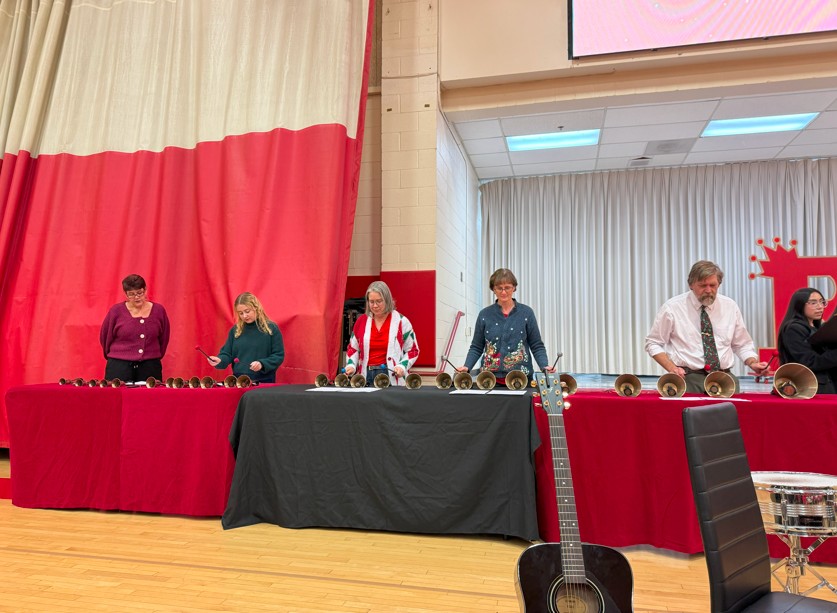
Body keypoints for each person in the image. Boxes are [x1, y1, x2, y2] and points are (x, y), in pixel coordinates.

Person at [645, 260, 768, 393]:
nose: (708, 290)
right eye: (703, 285)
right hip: (689, 379)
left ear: (719, 284)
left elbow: (742, 344)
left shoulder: (730, 306)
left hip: (725, 380)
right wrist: (671, 367)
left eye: (713, 285)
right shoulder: (672, 308)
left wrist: (753, 363)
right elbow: (653, 343)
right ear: (691, 285)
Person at [458, 268, 554, 382]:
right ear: (493, 289)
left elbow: (536, 345)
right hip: (489, 379)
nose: (503, 292)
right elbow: (476, 347)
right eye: (499, 288)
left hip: (521, 379)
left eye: (507, 287)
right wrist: (467, 366)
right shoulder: (484, 314)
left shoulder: (527, 313)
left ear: (514, 288)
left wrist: (544, 366)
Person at [344, 281, 419, 386]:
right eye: (371, 302)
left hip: (391, 375)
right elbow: (353, 349)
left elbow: (413, 350)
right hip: (365, 376)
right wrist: (351, 365)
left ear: (387, 300)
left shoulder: (401, 321)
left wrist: (402, 366)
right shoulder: (361, 322)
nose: (375, 306)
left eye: (379, 301)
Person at [100, 274, 170, 382]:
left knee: (149, 398)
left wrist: (152, 354)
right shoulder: (116, 311)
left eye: (139, 293)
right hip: (119, 366)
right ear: (126, 294)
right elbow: (105, 337)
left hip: (150, 367)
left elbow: (164, 338)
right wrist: (117, 355)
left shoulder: (159, 311)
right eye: (131, 294)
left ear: (145, 290)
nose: (136, 297)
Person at [207, 292, 284, 384]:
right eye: (240, 313)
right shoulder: (235, 330)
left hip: (263, 382)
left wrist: (262, 364)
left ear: (256, 308)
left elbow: (278, 355)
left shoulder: (271, 328)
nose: (244, 316)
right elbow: (227, 354)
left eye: (247, 311)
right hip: (239, 382)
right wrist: (220, 360)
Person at [776, 288, 837, 394]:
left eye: (822, 302)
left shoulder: (818, 327)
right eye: (813, 303)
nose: (820, 307)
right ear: (799, 305)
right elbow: (809, 362)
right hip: (810, 389)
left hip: (827, 386)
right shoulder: (793, 329)